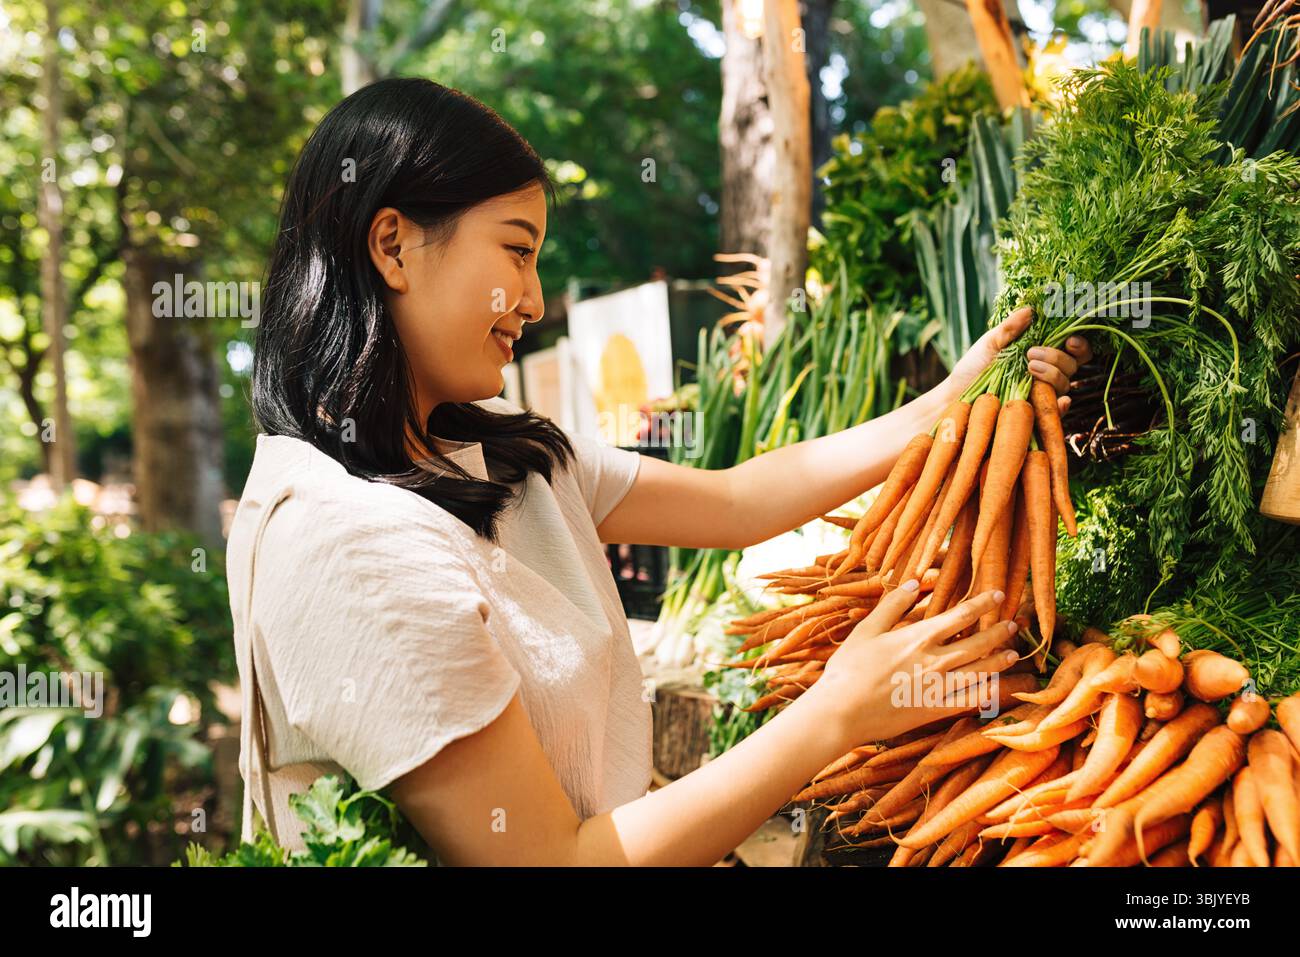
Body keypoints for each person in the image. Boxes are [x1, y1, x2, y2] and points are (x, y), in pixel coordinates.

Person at [227, 78, 1092, 866]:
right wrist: (833, 712)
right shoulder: (343, 548)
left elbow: (740, 498)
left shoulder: (492, 446)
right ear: (394, 246)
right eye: (517, 250)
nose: (532, 300)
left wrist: (945, 400)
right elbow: (557, 863)